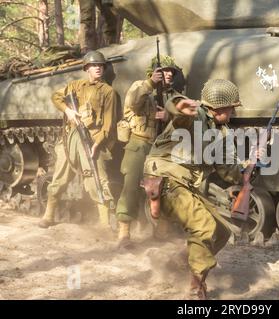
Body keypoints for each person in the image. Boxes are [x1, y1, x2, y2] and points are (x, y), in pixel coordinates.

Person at [143, 79, 264, 299]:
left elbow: (229, 171)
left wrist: (249, 167)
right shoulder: (196, 116)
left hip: (185, 183)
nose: (234, 112)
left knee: (221, 231)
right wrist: (180, 105)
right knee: (204, 227)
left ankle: (178, 263)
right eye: (231, 108)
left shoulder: (223, 133)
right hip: (166, 176)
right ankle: (195, 287)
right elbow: (177, 110)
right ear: (219, 109)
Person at [38, 50, 118, 229]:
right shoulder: (76, 86)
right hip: (71, 137)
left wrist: (97, 144)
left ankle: (105, 224)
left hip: (92, 140)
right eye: (94, 65)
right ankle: (48, 215)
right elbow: (56, 96)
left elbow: (108, 125)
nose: (98, 68)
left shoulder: (108, 92)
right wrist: (68, 110)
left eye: (100, 66)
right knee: (60, 177)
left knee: (97, 180)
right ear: (86, 68)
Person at [115, 55, 184, 248]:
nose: (169, 74)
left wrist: (169, 115)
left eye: (172, 71)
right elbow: (133, 102)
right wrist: (151, 83)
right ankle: (124, 232)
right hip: (139, 142)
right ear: (153, 72)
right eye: (164, 71)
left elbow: (186, 117)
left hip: (161, 147)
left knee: (166, 188)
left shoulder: (173, 95)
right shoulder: (140, 87)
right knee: (130, 186)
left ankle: (162, 228)